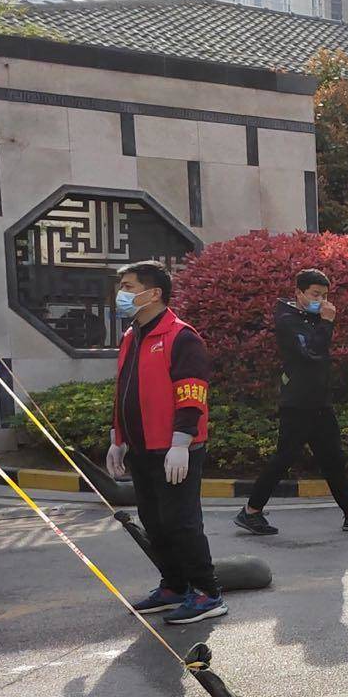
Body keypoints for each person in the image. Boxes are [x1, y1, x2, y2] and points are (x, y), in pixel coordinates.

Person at [104, 261, 227, 626]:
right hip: (141, 447)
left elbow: (192, 393)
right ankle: (174, 585)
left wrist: (181, 443)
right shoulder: (132, 336)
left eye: (129, 286)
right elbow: (124, 391)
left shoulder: (181, 337)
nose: (121, 294)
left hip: (174, 448)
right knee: (154, 521)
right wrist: (117, 438)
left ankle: (207, 593)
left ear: (154, 293)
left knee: (181, 522)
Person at [235, 269, 348, 535]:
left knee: (333, 458)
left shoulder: (311, 318)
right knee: (284, 457)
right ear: (299, 293)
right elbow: (311, 352)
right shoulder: (288, 320)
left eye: (325, 295)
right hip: (298, 402)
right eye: (315, 294)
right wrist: (327, 323)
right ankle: (251, 511)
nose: (321, 300)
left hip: (319, 401)